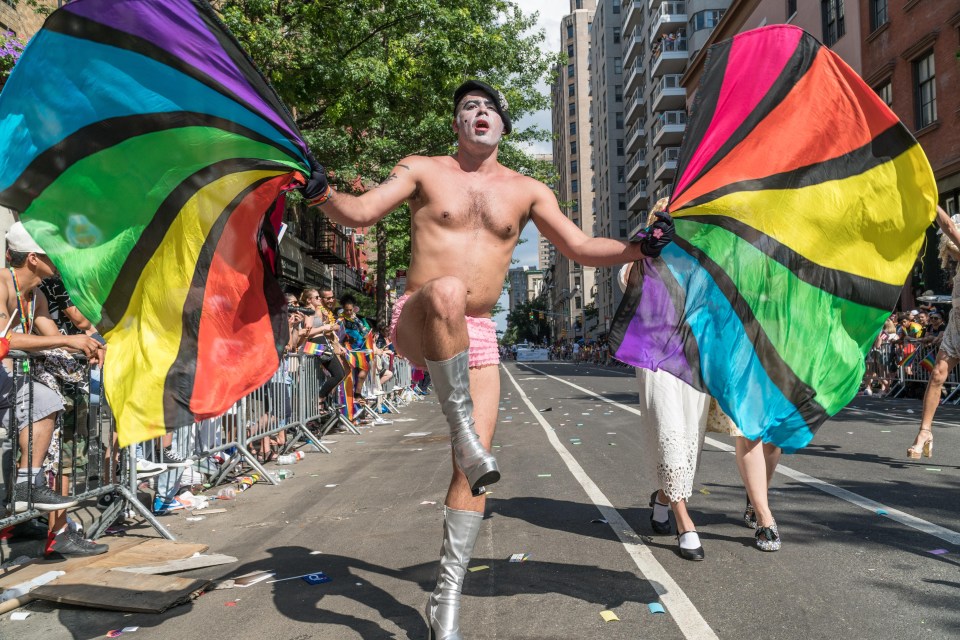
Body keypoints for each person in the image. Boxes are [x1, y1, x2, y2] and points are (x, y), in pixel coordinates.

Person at [300, 79, 673, 639]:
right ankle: (464, 433)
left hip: (475, 336)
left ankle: (444, 603)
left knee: (471, 476)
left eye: (488, 108)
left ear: (502, 126)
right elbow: (358, 215)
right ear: (456, 125)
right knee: (448, 290)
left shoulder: (527, 191)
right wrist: (322, 193)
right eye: (467, 107)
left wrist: (640, 246)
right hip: (419, 315)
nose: (478, 113)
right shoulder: (422, 169)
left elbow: (579, 247)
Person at [1, 222, 106, 556]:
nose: (59, 260)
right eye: (52, 254)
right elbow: (8, 340)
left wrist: (86, 345)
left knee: (46, 399)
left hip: (11, 383)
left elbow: (50, 336)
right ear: (33, 258)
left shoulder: (38, 295)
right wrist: (67, 338)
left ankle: (26, 483)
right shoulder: (2, 283)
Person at [908, 205, 960, 459]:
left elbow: (949, 227)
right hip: (957, 324)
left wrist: (929, 201)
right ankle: (924, 432)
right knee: (938, 374)